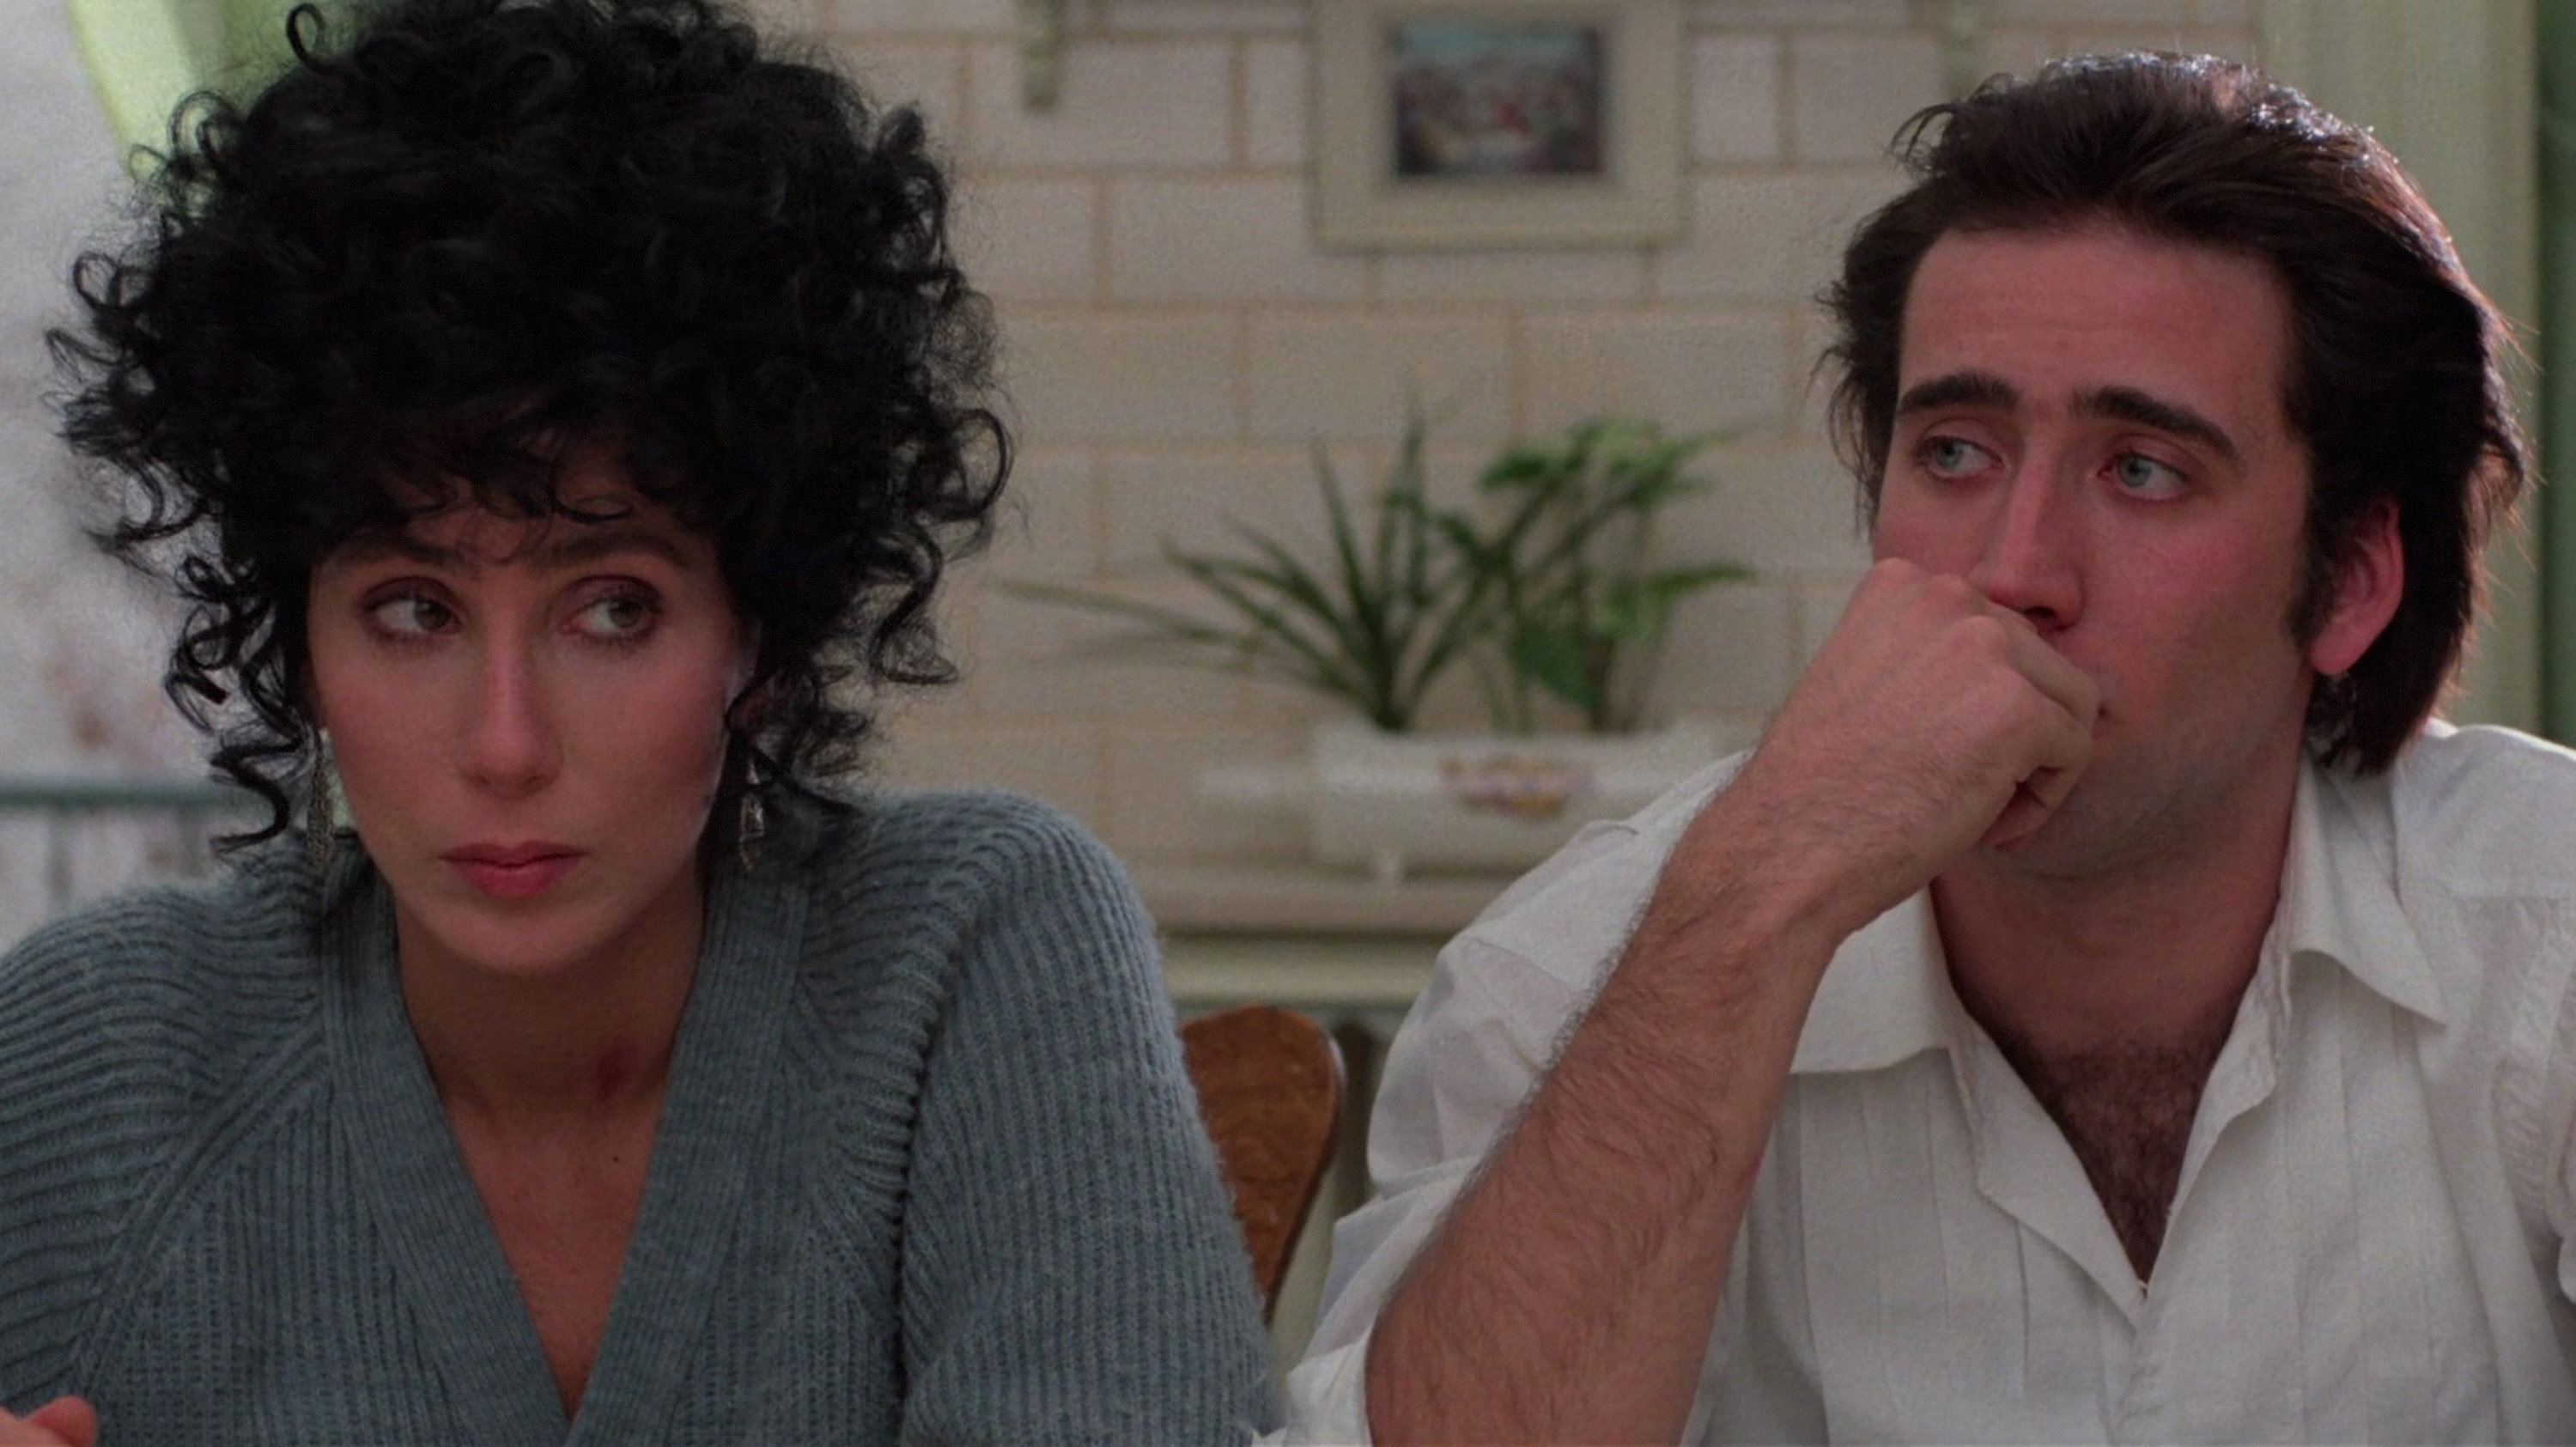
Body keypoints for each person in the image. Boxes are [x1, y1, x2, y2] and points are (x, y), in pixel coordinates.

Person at [0, 1, 1276, 1443]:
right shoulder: (97, 1053)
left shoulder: (970, 958)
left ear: (765, 629)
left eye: (613, 609)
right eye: (413, 609)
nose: (506, 744)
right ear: (298, 636)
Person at [1285, 52, 2576, 1444]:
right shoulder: (1568, 983)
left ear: (2349, 584)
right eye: (1956, 452)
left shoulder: (2541, 931)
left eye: (2142, 469)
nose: (2016, 570)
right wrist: (1762, 893)